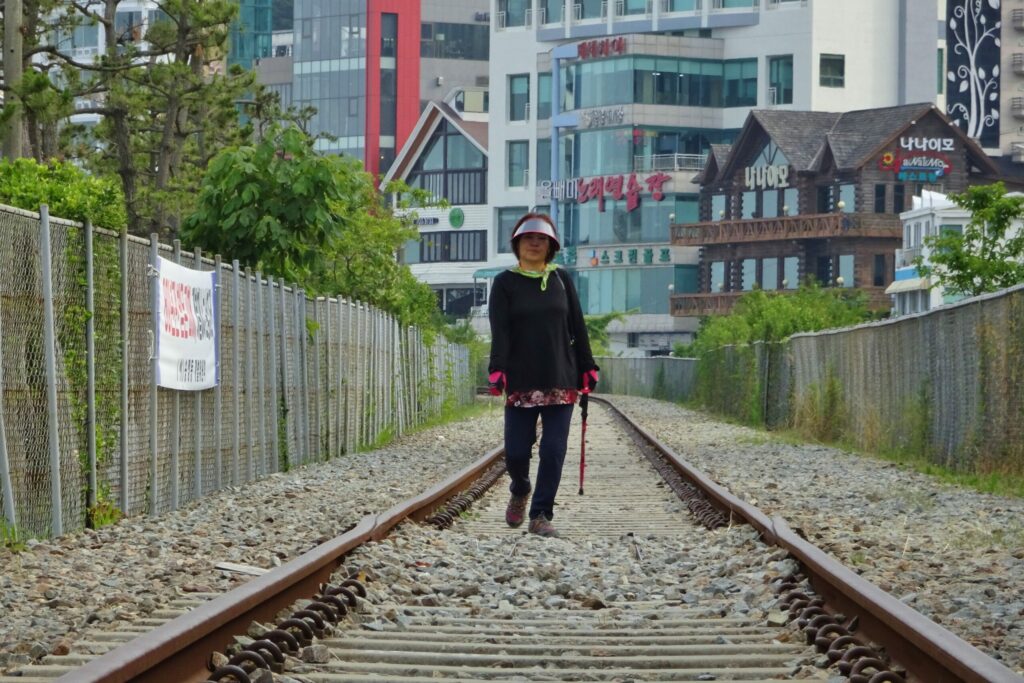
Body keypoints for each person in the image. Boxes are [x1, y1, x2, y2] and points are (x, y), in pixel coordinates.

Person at [487, 212, 599, 538]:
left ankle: (540, 515)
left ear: (550, 246)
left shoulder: (562, 279)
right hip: (521, 378)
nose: (534, 243)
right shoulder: (505, 282)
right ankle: (520, 488)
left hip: (560, 376)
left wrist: (587, 366)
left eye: (541, 239)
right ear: (517, 244)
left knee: (553, 449)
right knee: (517, 451)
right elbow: (501, 332)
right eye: (528, 238)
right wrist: (497, 369)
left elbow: (577, 326)